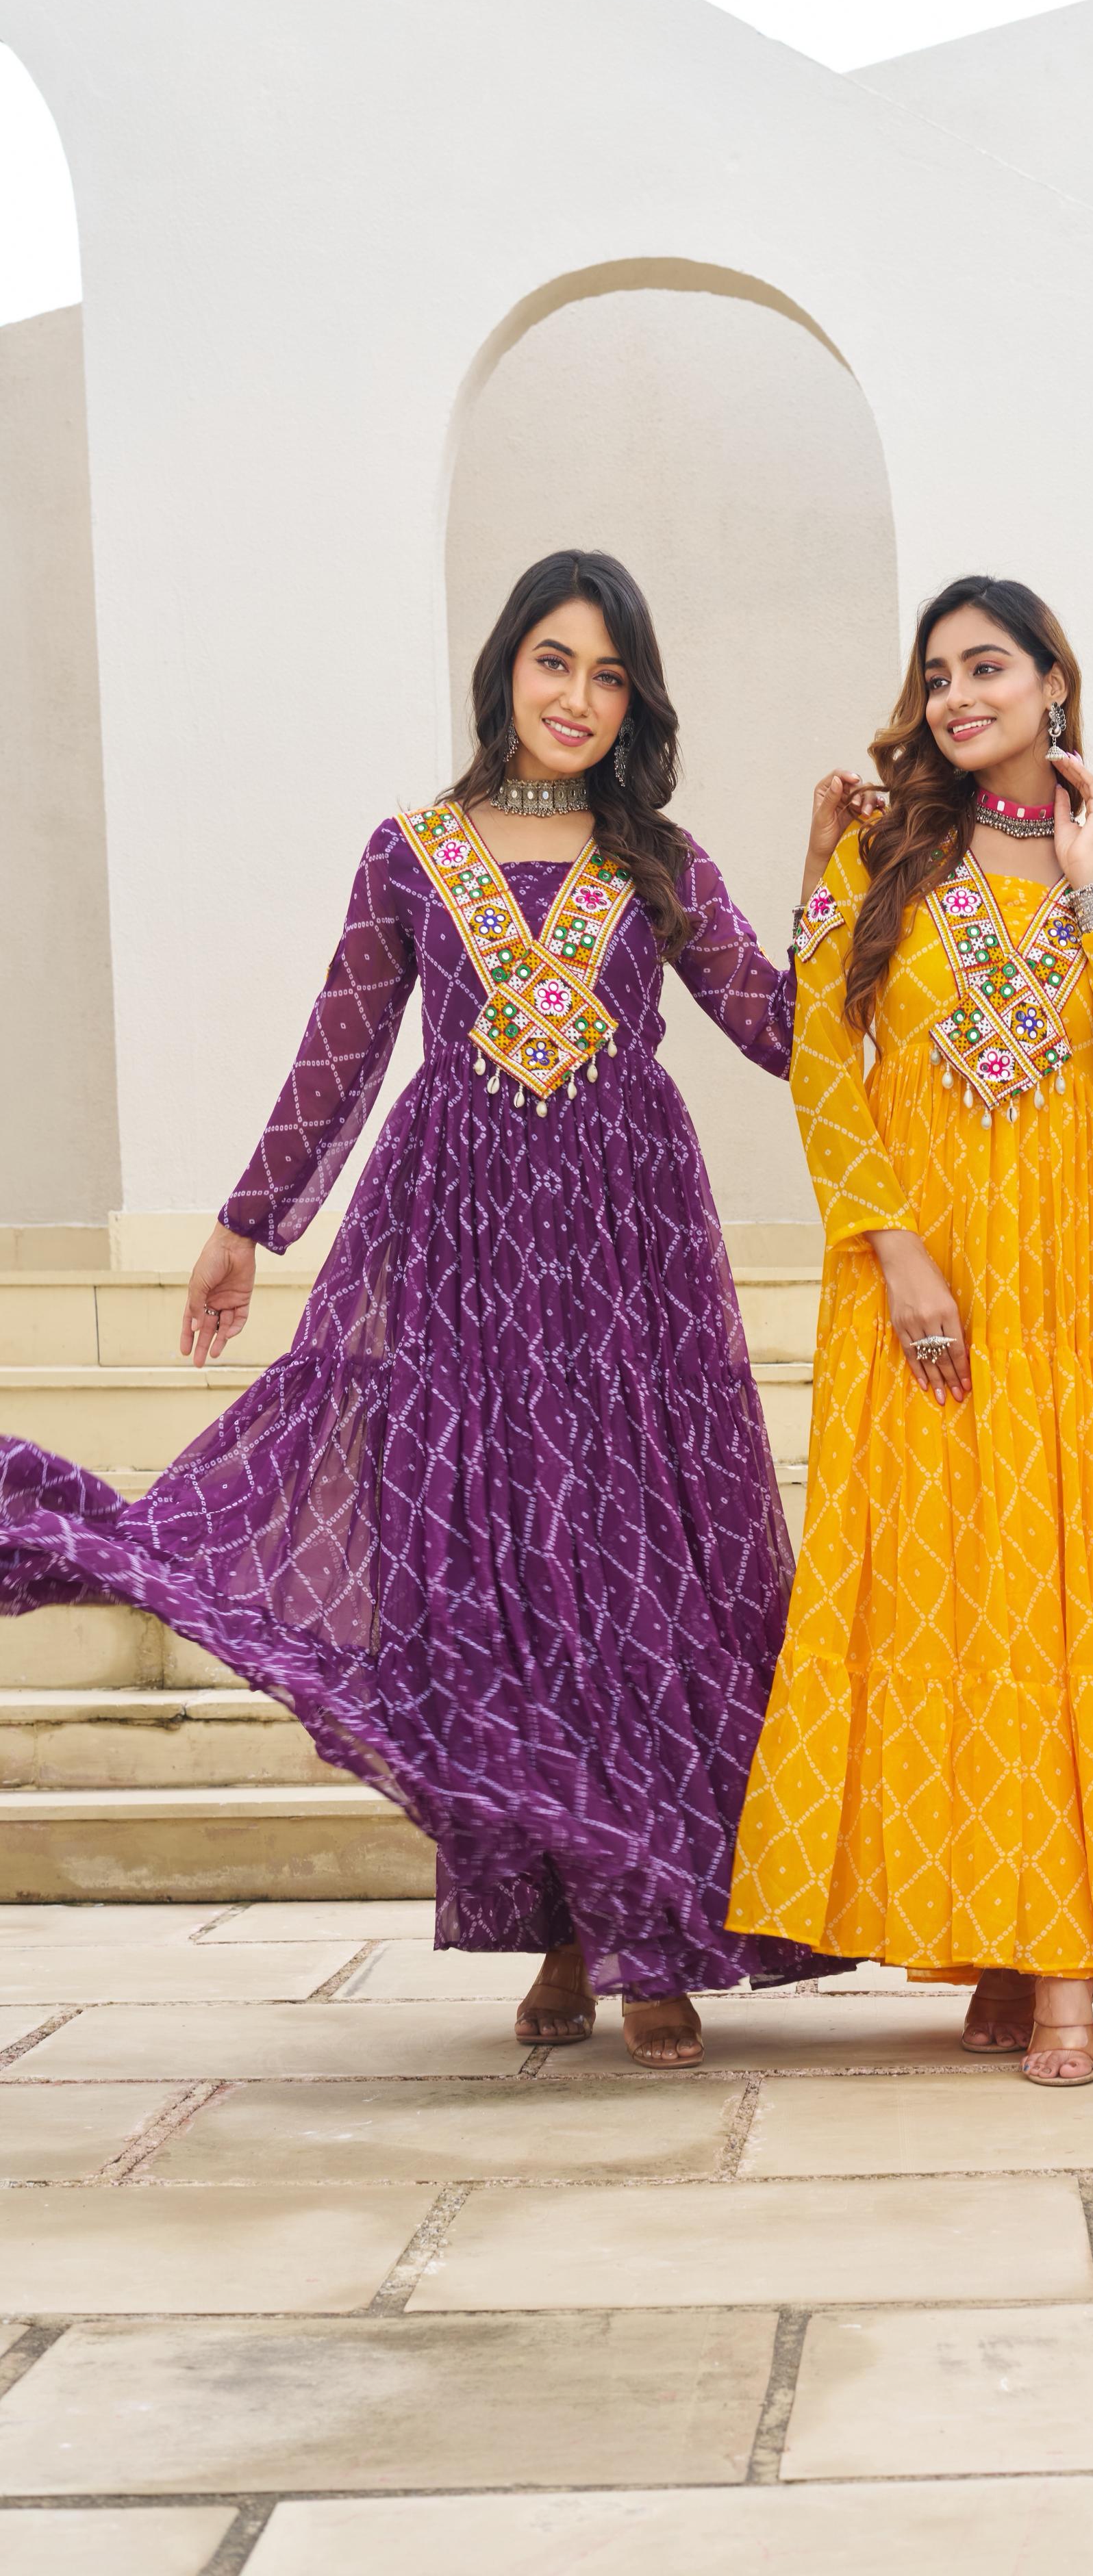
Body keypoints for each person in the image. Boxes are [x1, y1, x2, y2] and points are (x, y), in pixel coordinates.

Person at [0, 550, 866, 2065]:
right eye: (554, 662)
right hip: (458, 1251)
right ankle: (563, 1930)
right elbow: (339, 1049)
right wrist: (246, 1223)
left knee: (627, 1574)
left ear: (637, 701)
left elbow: (787, 1031)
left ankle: (648, 1929)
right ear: (504, 670)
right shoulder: (411, 851)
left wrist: (826, 874)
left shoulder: (659, 859)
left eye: (608, 675)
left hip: (628, 1262)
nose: (577, 698)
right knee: (497, 1579)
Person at [727, 574, 1093, 2084]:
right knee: (949, 1595)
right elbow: (818, 1060)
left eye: (986, 667)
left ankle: (1064, 1965)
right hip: (917, 1272)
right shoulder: (878, 852)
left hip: (1077, 1279)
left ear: (1051, 683)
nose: (958, 696)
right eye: (937, 675)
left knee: (1071, 1592)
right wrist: (896, 1249)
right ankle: (991, 1927)